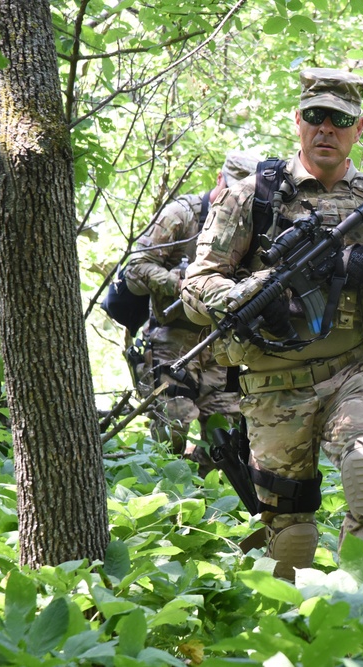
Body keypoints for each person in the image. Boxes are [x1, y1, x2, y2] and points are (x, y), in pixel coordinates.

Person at [180, 68, 363, 579]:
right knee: (291, 529)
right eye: (314, 116)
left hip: (355, 369)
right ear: (297, 121)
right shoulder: (253, 195)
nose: (326, 128)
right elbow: (196, 290)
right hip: (273, 382)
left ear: (358, 128)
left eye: (339, 119)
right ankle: (285, 632)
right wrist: (251, 295)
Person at [123, 153, 256, 474]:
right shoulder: (182, 215)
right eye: (234, 192)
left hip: (219, 345)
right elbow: (135, 267)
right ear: (220, 180)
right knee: (172, 429)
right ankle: (161, 498)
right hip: (171, 341)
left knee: (228, 437)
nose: (238, 202)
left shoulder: (250, 224)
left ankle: (199, 497)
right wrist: (181, 283)